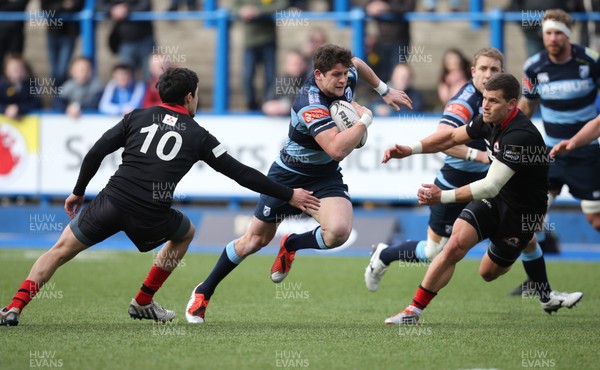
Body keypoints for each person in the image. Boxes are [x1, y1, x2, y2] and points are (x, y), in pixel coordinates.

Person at [0, 67, 320, 326]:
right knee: (186, 232)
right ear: (189, 96)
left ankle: (14, 306)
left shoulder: (137, 117)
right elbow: (242, 173)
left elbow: (96, 151)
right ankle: (143, 301)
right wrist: (288, 193)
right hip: (151, 212)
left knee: (58, 251)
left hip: (111, 201)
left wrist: (78, 191)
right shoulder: (198, 135)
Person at [185, 43, 413, 324]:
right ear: (318, 75)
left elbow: (357, 63)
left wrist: (384, 89)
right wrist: (365, 118)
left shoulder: (347, 75)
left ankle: (292, 244)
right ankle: (203, 291)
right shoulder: (309, 102)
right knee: (254, 240)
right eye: (336, 75)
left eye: (345, 74)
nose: (343, 79)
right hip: (288, 175)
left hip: (324, 176)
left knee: (338, 232)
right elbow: (337, 149)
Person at [379, 73, 582, 325]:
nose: (485, 105)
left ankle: (543, 292)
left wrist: (441, 196)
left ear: (511, 105)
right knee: (454, 245)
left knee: (488, 273)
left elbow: (489, 185)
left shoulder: (520, 136)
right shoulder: (488, 119)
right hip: (498, 198)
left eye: (493, 101)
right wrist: (411, 149)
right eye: (484, 98)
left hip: (522, 211)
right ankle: (413, 311)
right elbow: (452, 137)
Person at [513, 9, 600, 292]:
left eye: (558, 33)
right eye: (548, 33)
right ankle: (536, 281)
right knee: (531, 218)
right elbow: (528, 106)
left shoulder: (590, 61)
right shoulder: (534, 66)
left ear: (568, 35)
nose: (552, 38)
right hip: (549, 153)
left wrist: (578, 140)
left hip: (585, 153)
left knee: (595, 220)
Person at [232, 0, 289, 110]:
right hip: (250, 42)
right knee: (247, 76)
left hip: (269, 40)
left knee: (270, 76)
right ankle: (252, 105)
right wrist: (241, 11)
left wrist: (258, 11)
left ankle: (267, 104)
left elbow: (282, 4)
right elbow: (231, 5)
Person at [97, 0, 155, 81]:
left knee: (150, 76)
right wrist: (112, 10)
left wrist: (126, 9)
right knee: (124, 77)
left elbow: (145, 5)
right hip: (124, 42)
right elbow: (99, 6)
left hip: (145, 40)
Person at [365, 0, 416, 83]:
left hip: (400, 40)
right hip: (381, 41)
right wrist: (370, 6)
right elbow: (367, 6)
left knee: (396, 74)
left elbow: (409, 7)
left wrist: (386, 7)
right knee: (380, 74)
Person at [41, 0, 85, 86]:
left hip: (69, 33)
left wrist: (71, 5)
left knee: (61, 70)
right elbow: (45, 8)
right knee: (54, 71)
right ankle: (57, 97)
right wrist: (62, 5)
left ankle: (63, 95)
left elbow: (81, 5)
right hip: (53, 32)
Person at [262, 49, 308, 116]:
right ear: (286, 65)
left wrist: (288, 106)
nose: (297, 67)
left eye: (299, 63)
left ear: (305, 65)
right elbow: (267, 103)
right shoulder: (281, 81)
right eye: (294, 64)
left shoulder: (310, 81)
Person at [0, 55, 42, 120]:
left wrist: (19, 108)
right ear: (7, 71)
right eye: (15, 68)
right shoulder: (2, 85)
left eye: (21, 68)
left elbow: (37, 103)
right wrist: (5, 109)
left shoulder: (32, 84)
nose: (18, 71)